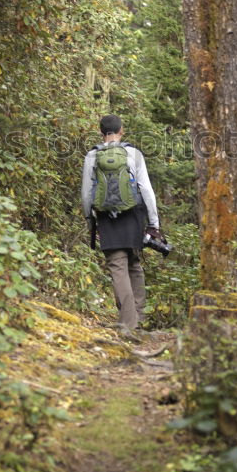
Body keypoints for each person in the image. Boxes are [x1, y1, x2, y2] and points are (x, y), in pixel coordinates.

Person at [81, 114, 160, 335]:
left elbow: (87, 194)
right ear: (121, 130)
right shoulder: (133, 153)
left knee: (118, 267)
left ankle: (128, 324)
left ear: (101, 132)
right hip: (133, 214)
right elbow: (146, 190)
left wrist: (90, 220)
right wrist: (154, 223)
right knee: (134, 264)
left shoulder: (92, 155)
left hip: (107, 216)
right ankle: (139, 318)